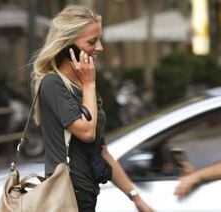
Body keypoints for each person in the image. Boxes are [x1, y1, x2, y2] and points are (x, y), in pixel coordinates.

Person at [30, 5, 153, 211]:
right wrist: (89, 84)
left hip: (85, 196)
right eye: (92, 41)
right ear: (68, 45)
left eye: (99, 39)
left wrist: (135, 198)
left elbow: (100, 149)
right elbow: (86, 132)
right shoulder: (53, 84)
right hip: (66, 195)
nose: (100, 48)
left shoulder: (84, 86)